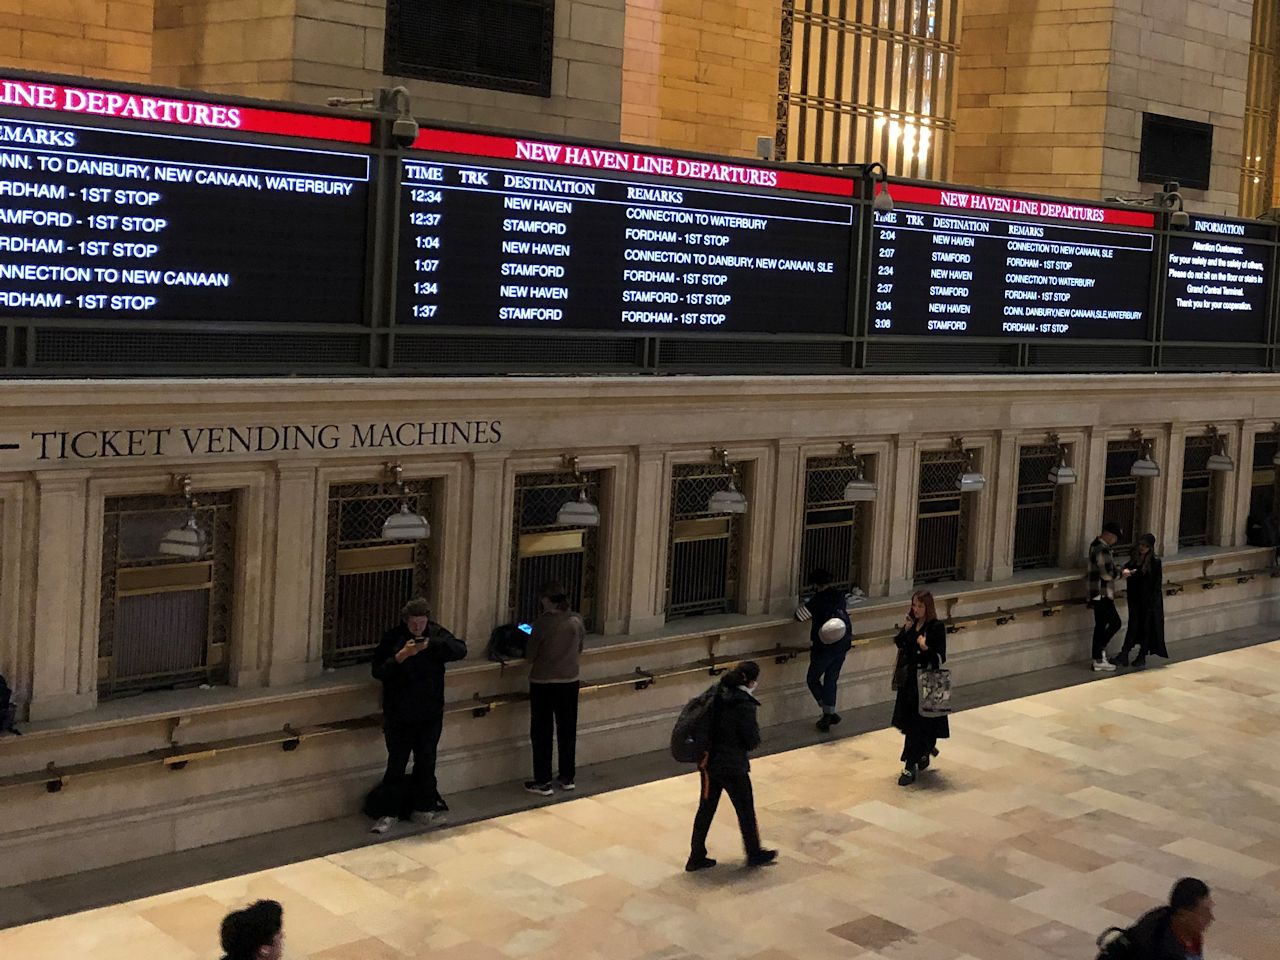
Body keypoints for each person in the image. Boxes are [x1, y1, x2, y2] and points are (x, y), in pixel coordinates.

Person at [369, 597, 467, 834]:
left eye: (421, 623)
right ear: (406, 622)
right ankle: (388, 812)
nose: (417, 628)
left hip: (429, 712)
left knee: (426, 761)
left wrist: (431, 645)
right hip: (399, 714)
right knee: (397, 763)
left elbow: (460, 649)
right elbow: (378, 671)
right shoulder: (393, 638)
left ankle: (424, 808)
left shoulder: (435, 634)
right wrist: (401, 657)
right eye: (413, 624)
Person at [686, 660, 778, 871]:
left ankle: (696, 855)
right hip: (733, 766)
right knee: (745, 808)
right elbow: (751, 740)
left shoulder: (717, 692)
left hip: (709, 763)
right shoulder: (744, 704)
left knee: (706, 808)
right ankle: (754, 853)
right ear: (751, 680)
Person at [524, 581, 585, 796]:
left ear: (547, 600)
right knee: (567, 730)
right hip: (570, 680)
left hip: (544, 683)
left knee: (542, 732)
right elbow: (580, 648)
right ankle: (567, 777)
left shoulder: (542, 624)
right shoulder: (576, 620)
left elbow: (530, 655)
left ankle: (543, 781)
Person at [891, 589, 949, 786]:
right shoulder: (912, 624)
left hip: (928, 682)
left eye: (920, 606)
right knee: (910, 724)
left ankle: (910, 764)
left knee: (924, 724)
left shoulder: (936, 627)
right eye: (914, 605)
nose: (916, 609)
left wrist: (926, 648)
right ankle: (921, 753)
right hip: (910, 684)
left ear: (928, 607)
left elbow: (940, 656)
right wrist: (906, 630)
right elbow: (899, 643)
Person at [795, 567, 853, 732]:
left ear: (815, 585)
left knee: (812, 679)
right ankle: (830, 711)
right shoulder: (840, 596)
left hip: (823, 648)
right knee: (831, 679)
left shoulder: (817, 601)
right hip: (842, 645)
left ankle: (827, 712)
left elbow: (799, 616)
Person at [1122, 877, 1214, 959]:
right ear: (1183, 916)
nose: (1211, 917)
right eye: (1203, 913)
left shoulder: (1168, 917)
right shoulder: (1159, 947)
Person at [1114, 533, 1168, 669]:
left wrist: (1152, 602)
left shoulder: (1155, 562)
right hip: (1135, 599)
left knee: (1146, 628)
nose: (1142, 548)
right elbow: (1128, 568)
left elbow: (1155, 583)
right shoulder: (1135, 559)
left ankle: (1141, 655)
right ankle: (1124, 653)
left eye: (1145, 546)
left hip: (1148, 602)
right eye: (1141, 545)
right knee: (1133, 626)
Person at [1088, 520, 1131, 672]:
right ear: (1109, 535)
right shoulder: (1102, 549)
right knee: (1115, 623)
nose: (1115, 541)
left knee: (1100, 626)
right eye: (1115, 537)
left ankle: (1098, 657)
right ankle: (1099, 654)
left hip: (1097, 593)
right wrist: (1122, 574)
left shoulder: (1096, 545)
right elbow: (1106, 574)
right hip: (1102, 593)